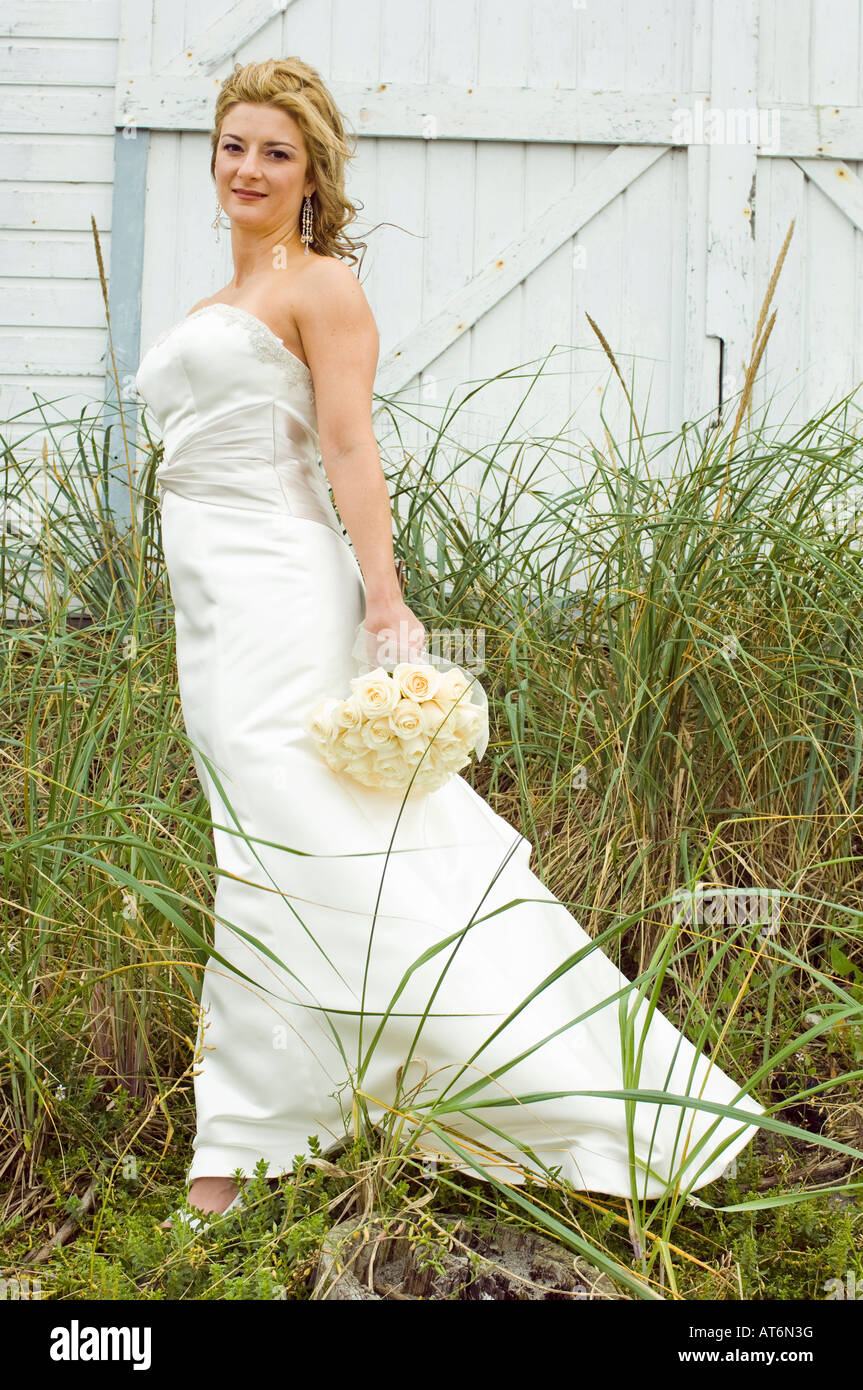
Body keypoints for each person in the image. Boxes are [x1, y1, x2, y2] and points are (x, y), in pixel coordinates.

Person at [134, 57, 765, 1231]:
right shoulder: (218, 296)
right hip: (210, 610)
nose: (247, 169)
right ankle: (318, 1108)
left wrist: (385, 602)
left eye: (275, 151)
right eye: (232, 145)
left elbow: (350, 451)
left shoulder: (320, 288)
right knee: (286, 847)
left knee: (294, 850)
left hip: (281, 591)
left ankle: (237, 1153)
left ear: (313, 172)